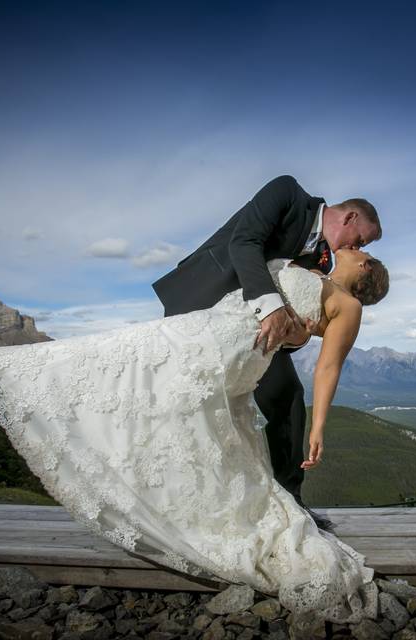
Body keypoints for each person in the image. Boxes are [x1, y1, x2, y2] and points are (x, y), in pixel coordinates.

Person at [0, 251, 389, 622]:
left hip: (222, 346)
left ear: (364, 265)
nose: (347, 248)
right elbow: (287, 324)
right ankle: (164, 498)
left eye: (357, 248)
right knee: (153, 399)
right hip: (218, 332)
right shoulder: (315, 273)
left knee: (121, 356)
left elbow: (328, 367)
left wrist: (316, 427)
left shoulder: (348, 305)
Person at [151, 175, 382, 530]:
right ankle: (175, 500)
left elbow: (304, 313)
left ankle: (291, 505)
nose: (356, 246)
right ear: (350, 218)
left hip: (259, 339)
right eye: (361, 239)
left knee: (289, 397)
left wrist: (299, 335)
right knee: (190, 405)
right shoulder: (289, 194)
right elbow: (244, 243)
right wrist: (272, 308)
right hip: (207, 304)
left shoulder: (323, 260)